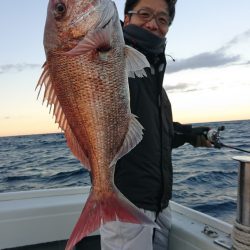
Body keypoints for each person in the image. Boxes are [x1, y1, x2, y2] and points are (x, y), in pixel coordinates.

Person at [100, 0, 212, 249]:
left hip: (159, 204)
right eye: (144, 14)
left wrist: (189, 134)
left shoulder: (154, 81)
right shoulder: (112, 60)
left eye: (162, 20)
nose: (153, 24)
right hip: (125, 205)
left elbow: (153, 133)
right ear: (126, 19)